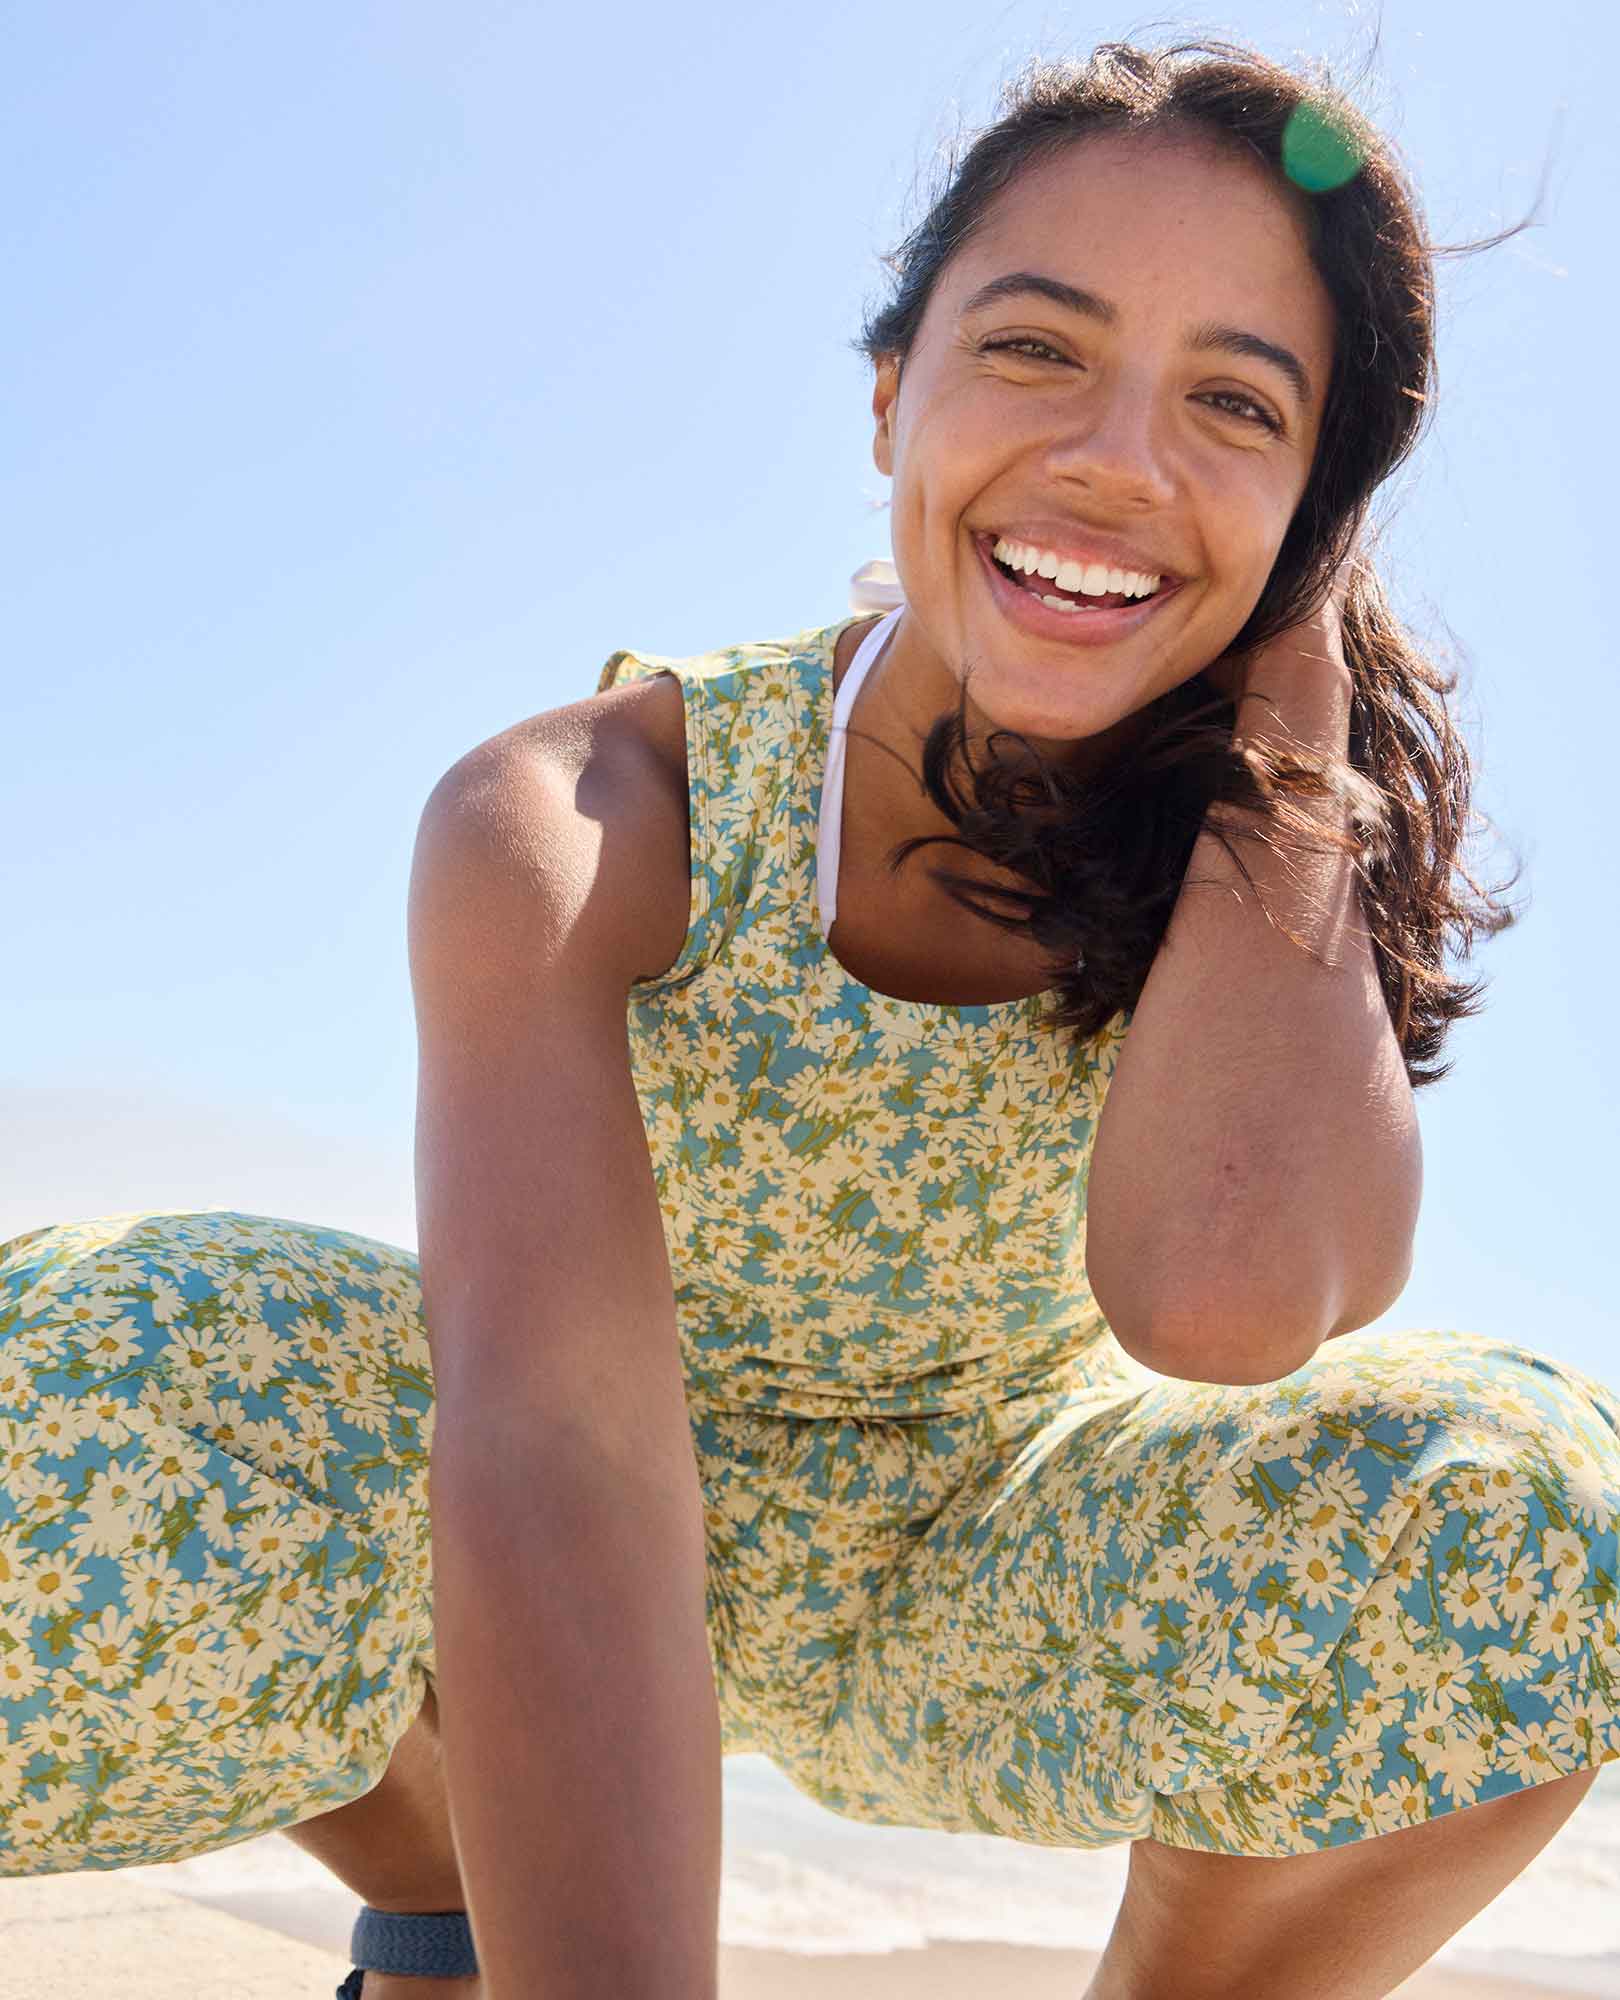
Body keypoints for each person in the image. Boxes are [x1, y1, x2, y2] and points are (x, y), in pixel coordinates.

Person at [2, 33, 1616, 2000]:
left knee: (1525, 1505)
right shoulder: (586, 814)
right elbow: (557, 1442)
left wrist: (1290, 701)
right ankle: (444, 1913)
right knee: (83, 1369)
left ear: (1317, 506)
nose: (1121, 459)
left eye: (1236, 404)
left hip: (977, 1570)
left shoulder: (1256, 853)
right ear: (887, 398)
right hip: (522, 1513)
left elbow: (1223, 1303)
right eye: (1036, 348)